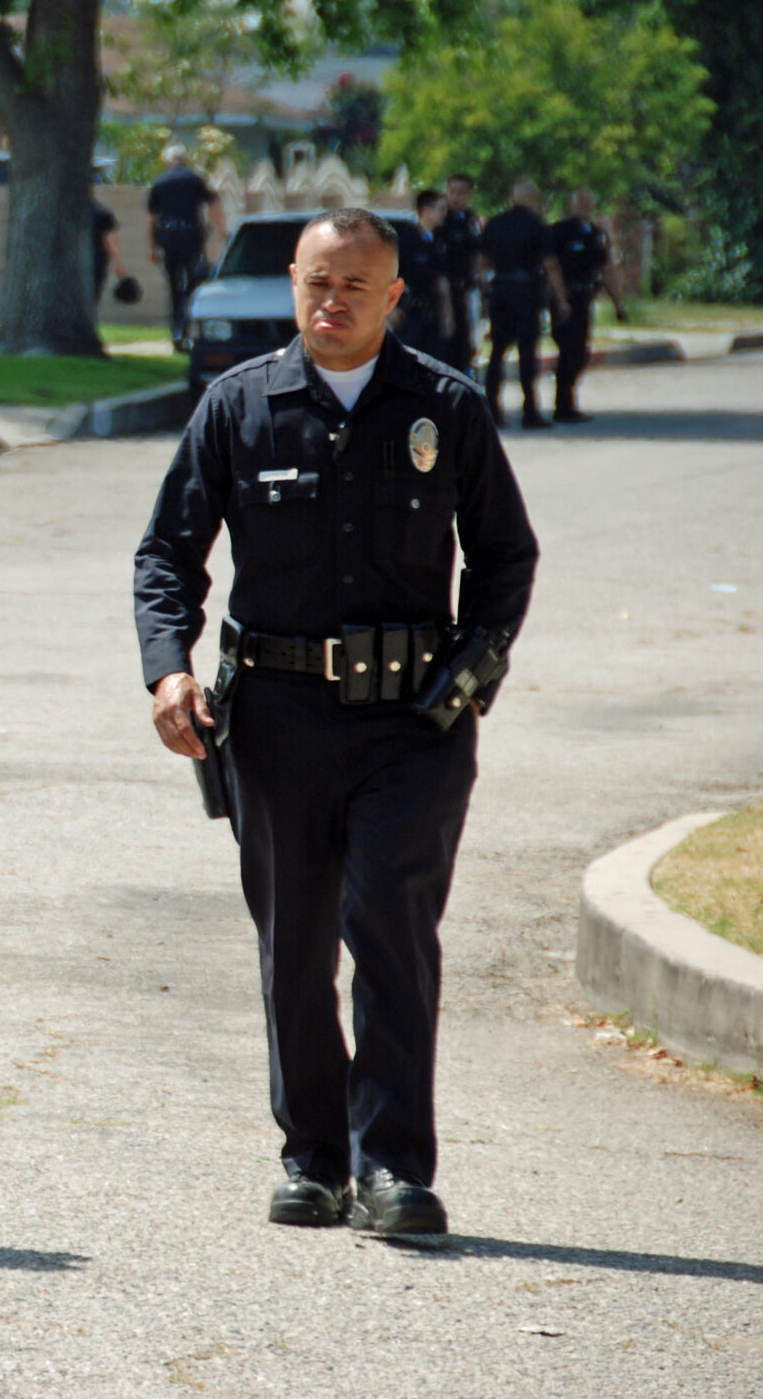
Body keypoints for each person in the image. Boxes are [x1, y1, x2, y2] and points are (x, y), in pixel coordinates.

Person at [134, 207, 538, 1237]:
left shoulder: (442, 406)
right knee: (295, 944)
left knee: (392, 930)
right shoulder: (237, 407)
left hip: (412, 726)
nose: (332, 301)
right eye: (317, 281)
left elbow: (505, 558)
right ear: (292, 283)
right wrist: (167, 673)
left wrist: (469, 680)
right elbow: (165, 557)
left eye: (356, 285)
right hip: (274, 720)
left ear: (393, 294)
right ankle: (312, 1159)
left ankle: (393, 1167)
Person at [478, 180, 571, 430]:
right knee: (527, 352)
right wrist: (561, 298)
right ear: (533, 198)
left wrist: (485, 292)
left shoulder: (495, 223)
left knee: (497, 351)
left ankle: (492, 409)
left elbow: (481, 260)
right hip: (526, 290)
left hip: (500, 289)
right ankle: (530, 411)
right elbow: (550, 263)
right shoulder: (537, 225)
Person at [146, 145, 226, 348]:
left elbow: (151, 218)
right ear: (185, 159)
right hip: (191, 238)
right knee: (192, 286)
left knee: (174, 286)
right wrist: (223, 231)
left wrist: (151, 247)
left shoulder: (160, 182)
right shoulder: (195, 179)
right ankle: (188, 328)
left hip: (169, 239)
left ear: (167, 161)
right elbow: (213, 205)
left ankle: (175, 330)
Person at [547, 188, 615, 423]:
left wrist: (617, 302)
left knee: (580, 352)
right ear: (571, 205)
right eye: (580, 202)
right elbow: (550, 265)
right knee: (568, 350)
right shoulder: (560, 231)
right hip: (564, 299)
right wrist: (560, 298)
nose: (584, 206)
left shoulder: (595, 234)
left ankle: (570, 399)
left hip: (585, 298)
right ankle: (562, 405)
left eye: (588, 202)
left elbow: (606, 266)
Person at [390, 190, 455, 363]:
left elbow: (442, 280)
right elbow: (389, 275)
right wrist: (391, 308)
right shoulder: (405, 238)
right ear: (426, 210)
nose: (444, 214)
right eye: (440, 209)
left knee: (434, 363)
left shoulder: (438, 241)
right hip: (410, 313)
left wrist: (447, 315)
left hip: (432, 312)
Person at [433, 175, 485, 376]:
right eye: (452, 191)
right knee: (446, 342)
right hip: (444, 289)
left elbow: (477, 255)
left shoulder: (471, 220)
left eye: (461, 192)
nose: (456, 197)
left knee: (466, 342)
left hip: (467, 289)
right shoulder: (441, 220)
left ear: (469, 194)